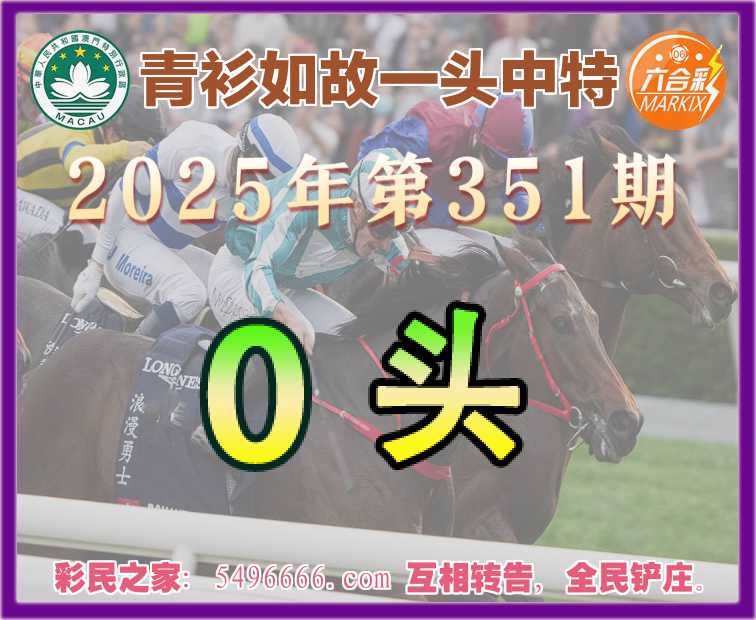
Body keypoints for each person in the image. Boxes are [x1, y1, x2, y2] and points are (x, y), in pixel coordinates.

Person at [70, 114, 301, 337]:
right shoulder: (196, 142)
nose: (248, 190)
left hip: (167, 249)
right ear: (244, 152)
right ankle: (133, 351)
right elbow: (124, 188)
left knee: (235, 288)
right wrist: (95, 265)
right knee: (190, 295)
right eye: (250, 178)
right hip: (124, 240)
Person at [209, 147, 412, 352]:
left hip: (285, 287)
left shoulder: (384, 235)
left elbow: (419, 278)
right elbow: (257, 267)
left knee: (353, 341)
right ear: (357, 207)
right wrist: (283, 315)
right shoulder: (307, 200)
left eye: (397, 229)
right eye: (382, 228)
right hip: (241, 273)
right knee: (294, 339)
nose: (386, 244)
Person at [357, 94, 541, 234]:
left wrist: (542, 234)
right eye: (497, 161)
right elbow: (368, 157)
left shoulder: (501, 157)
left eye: (513, 166)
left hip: (438, 223)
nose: (503, 176)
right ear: (477, 138)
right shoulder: (431, 134)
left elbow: (527, 217)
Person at [16, 85, 164, 244]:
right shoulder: (80, 129)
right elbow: (76, 165)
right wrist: (124, 149)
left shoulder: (107, 148)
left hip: (37, 198)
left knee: (95, 239)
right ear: (113, 130)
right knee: (76, 236)